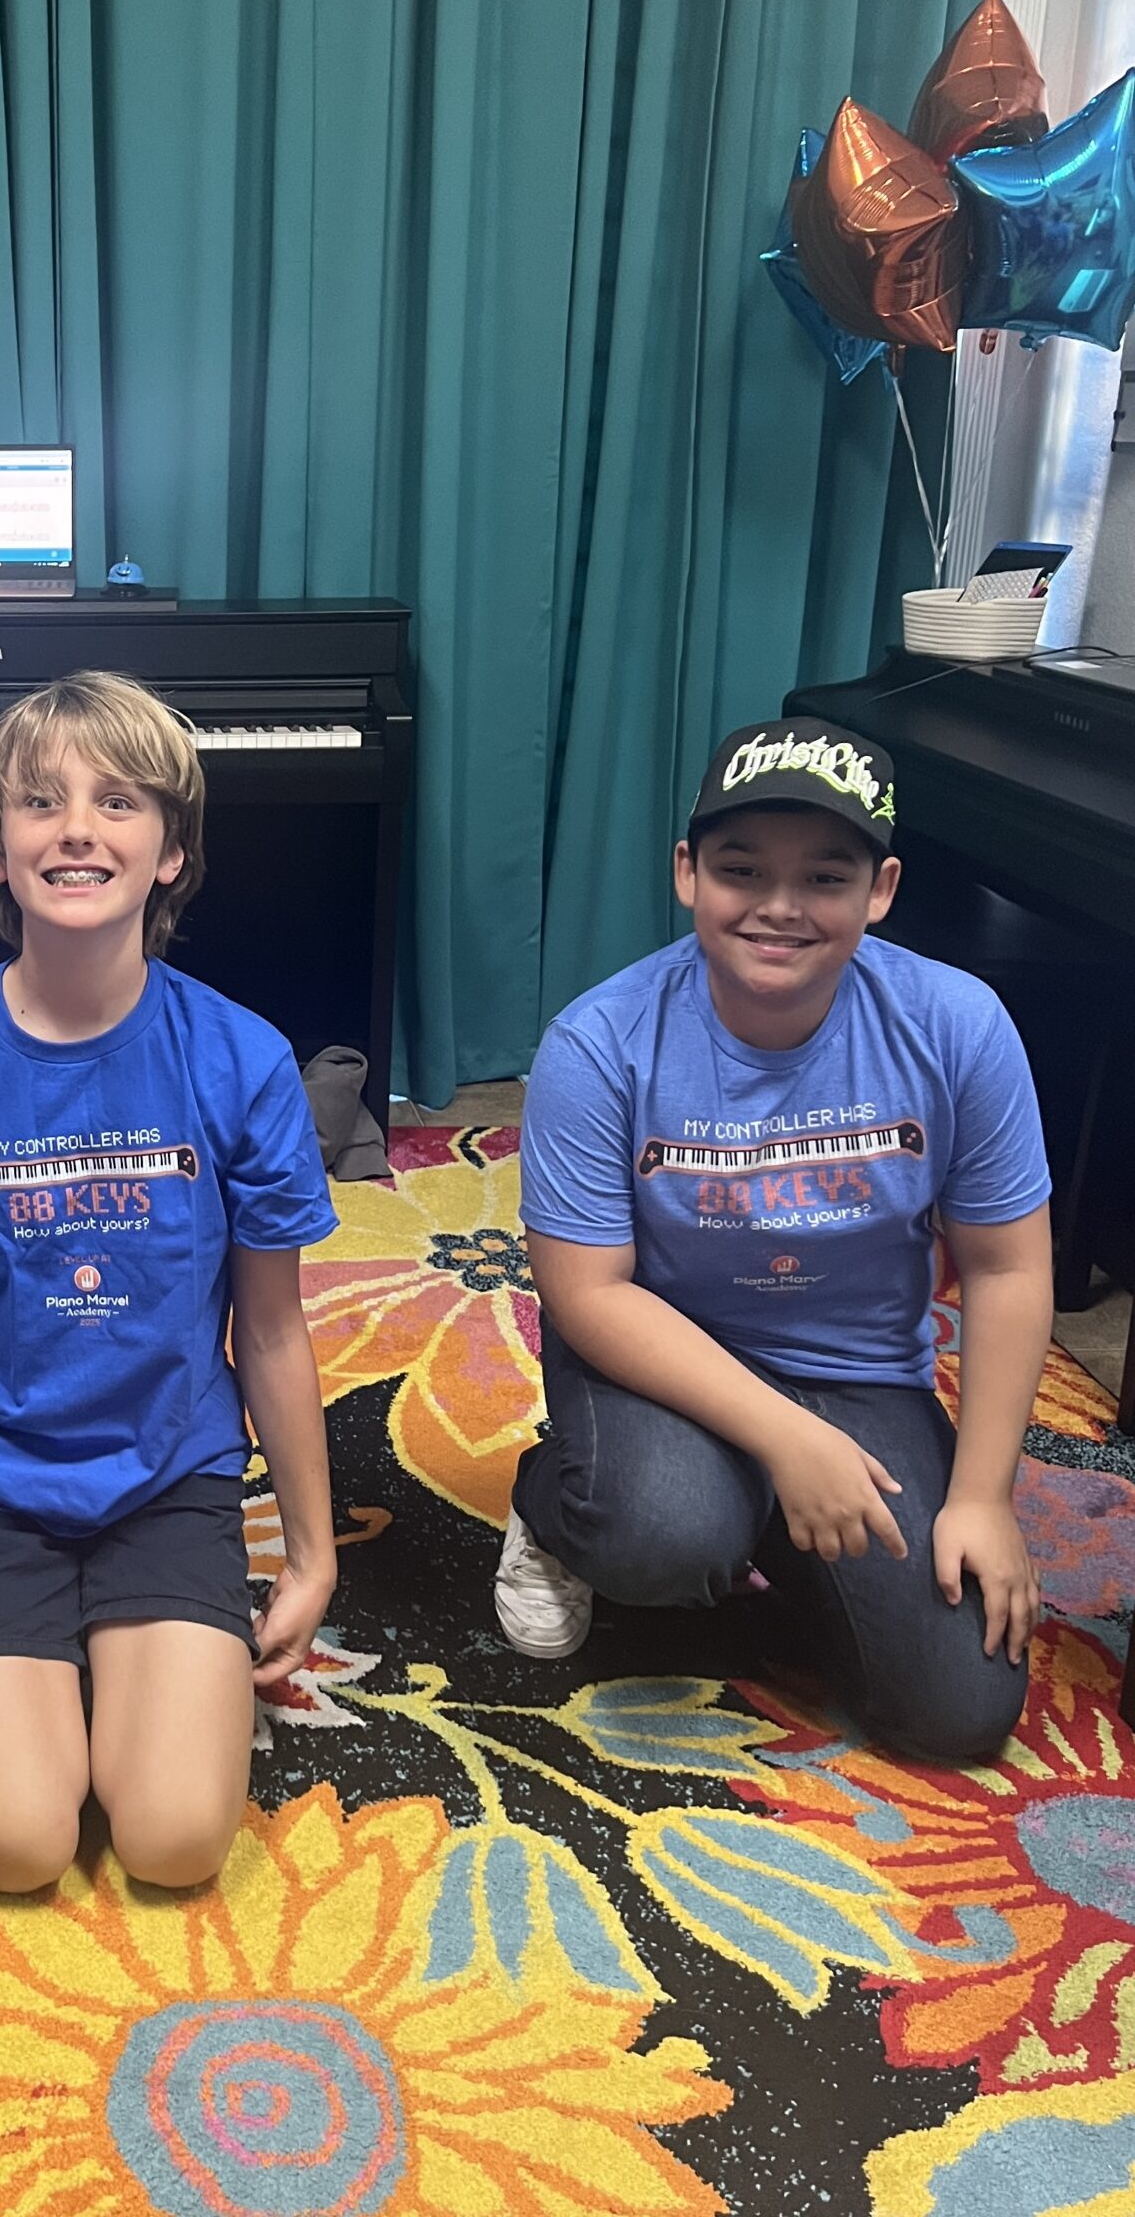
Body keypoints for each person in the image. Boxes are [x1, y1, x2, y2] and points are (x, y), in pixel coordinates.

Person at [0, 671, 338, 1891]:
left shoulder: (241, 1057)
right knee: (16, 1845)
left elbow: (271, 1329)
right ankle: (45, 1658)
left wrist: (312, 1553)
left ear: (171, 851)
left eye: (118, 802)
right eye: (41, 802)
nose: (78, 831)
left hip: (167, 1479)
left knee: (175, 1840)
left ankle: (130, 1659)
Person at [502, 720, 1052, 1764]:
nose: (780, 907)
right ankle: (555, 1503)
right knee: (661, 1535)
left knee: (957, 1709)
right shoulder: (599, 1042)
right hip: (658, 1357)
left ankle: (765, 1517)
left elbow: (1008, 1267)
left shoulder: (960, 1025)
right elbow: (588, 1293)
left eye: (825, 877)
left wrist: (983, 1498)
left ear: (880, 889)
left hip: (859, 1374)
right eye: (742, 869)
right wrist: (788, 1440)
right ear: (688, 873)